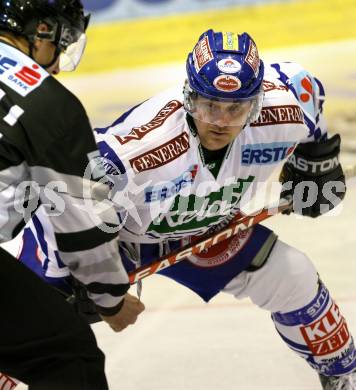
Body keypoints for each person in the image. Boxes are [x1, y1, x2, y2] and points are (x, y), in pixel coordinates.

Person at [17, 29, 355, 389]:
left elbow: (308, 90)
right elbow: (66, 195)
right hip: (114, 238)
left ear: (257, 103)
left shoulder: (284, 108)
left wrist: (316, 159)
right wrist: (90, 281)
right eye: (209, 106)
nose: (220, 122)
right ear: (188, 96)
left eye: (235, 108)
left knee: (293, 276)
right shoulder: (141, 148)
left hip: (203, 225)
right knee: (27, 322)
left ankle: (344, 375)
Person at [0, 1, 144, 389]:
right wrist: (109, 298)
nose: (59, 63)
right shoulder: (47, 102)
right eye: (62, 40)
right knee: (67, 356)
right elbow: (84, 227)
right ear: (41, 31)